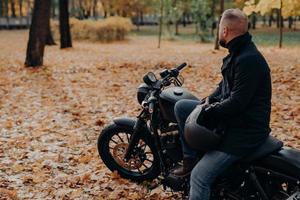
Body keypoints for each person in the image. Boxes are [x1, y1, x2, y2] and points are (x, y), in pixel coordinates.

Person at [173, 8, 272, 200]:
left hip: (244, 132)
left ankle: (195, 170)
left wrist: (208, 113)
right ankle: (189, 158)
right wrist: (207, 101)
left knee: (199, 178)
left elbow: (237, 103)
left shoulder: (248, 60)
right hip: (235, 121)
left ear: (225, 31)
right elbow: (224, 86)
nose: (218, 32)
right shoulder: (239, 53)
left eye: (219, 28)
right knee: (182, 107)